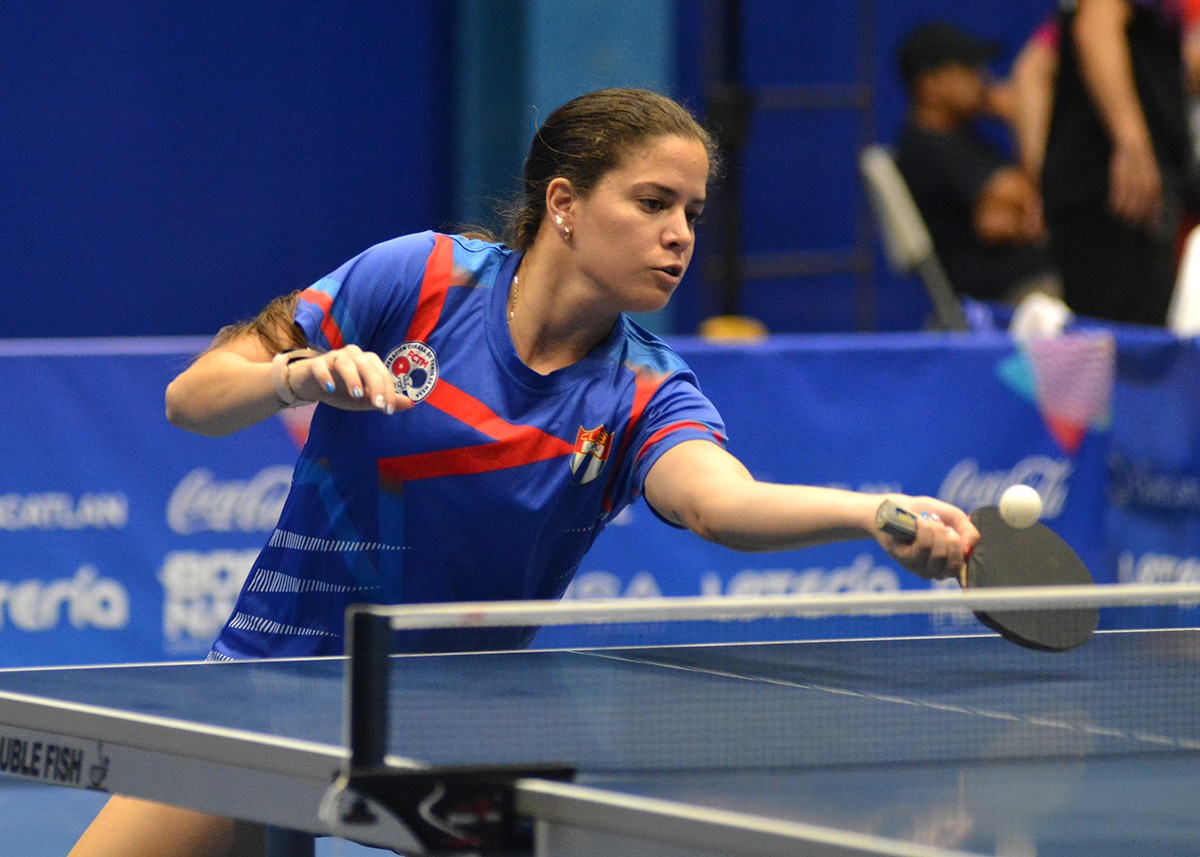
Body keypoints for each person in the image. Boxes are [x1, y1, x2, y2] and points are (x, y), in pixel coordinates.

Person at [70, 87, 977, 857]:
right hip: (267, 690)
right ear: (564, 202)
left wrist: (871, 512)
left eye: (692, 214)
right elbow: (190, 399)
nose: (679, 236)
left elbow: (718, 501)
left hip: (448, 735)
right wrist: (294, 377)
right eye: (653, 203)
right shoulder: (420, 279)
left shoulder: (645, 390)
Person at [1041, 0, 1191, 326]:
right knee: (1124, 341)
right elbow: (1096, 27)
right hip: (1120, 190)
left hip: (1095, 185)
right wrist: (1132, 145)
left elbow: (1032, 68)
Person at [894, 21, 1063, 307]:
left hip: (1030, 279)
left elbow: (1017, 214)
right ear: (930, 84)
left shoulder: (964, 137)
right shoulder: (928, 147)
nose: (983, 78)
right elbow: (1030, 203)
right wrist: (1020, 119)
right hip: (1006, 294)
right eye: (967, 69)